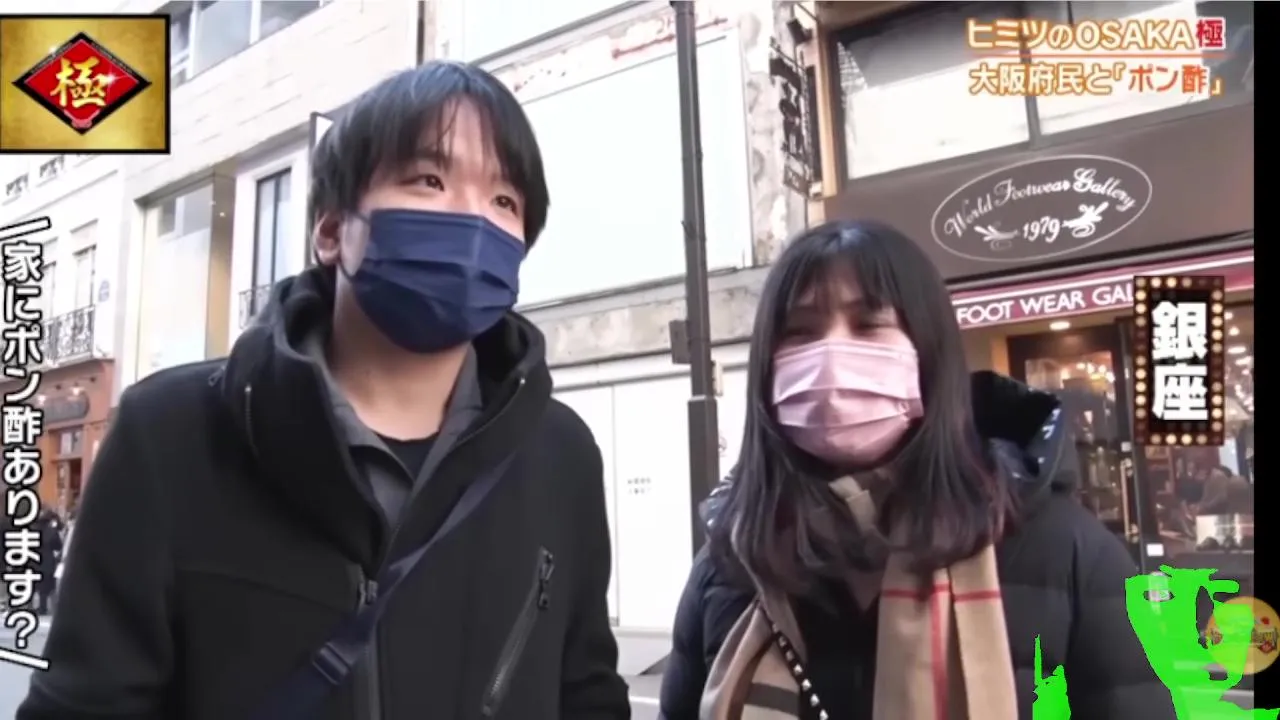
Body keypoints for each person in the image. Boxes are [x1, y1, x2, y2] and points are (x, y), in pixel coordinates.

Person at [20, 61, 629, 720]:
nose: (473, 219)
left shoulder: (560, 456)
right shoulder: (170, 436)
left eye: (504, 201)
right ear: (333, 230)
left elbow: (587, 694)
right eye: (429, 180)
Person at [658, 221, 1176, 720]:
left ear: (929, 352)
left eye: (869, 325)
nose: (830, 356)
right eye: (800, 331)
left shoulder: (1063, 548)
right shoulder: (730, 561)